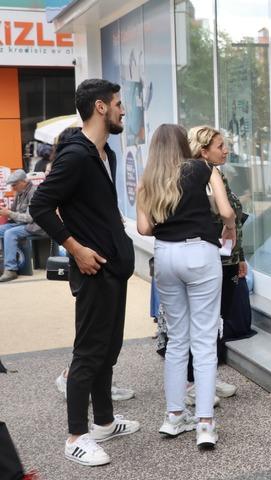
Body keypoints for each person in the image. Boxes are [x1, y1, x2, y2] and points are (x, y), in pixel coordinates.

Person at [29, 79, 140, 467]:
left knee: (108, 350)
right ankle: (76, 435)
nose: (123, 110)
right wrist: (75, 248)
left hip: (113, 269)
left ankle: (105, 421)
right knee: (88, 354)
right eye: (118, 103)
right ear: (100, 107)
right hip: (93, 270)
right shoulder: (76, 156)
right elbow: (40, 205)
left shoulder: (102, 153)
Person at [136, 123, 236, 449]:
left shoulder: (147, 178)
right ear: (183, 144)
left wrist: (170, 224)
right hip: (200, 253)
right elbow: (225, 211)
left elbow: (144, 228)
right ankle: (205, 424)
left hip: (165, 256)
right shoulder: (202, 168)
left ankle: (174, 416)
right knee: (204, 340)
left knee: (177, 339)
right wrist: (228, 230)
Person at [183, 125, 246, 406]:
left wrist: (240, 257)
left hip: (228, 259)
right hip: (209, 259)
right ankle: (192, 381)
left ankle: (209, 375)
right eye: (220, 146)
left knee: (218, 319)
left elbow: (233, 221)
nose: (227, 150)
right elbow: (225, 215)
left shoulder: (218, 175)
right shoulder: (199, 178)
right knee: (203, 321)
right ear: (203, 150)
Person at [0, 169, 37, 282]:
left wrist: (9, 213)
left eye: (14, 185)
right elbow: (14, 215)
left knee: (10, 233)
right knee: (2, 229)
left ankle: (11, 269)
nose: (13, 188)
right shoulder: (20, 193)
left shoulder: (34, 192)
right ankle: (3, 264)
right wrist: (5, 212)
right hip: (21, 224)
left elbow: (30, 218)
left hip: (35, 226)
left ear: (23, 182)